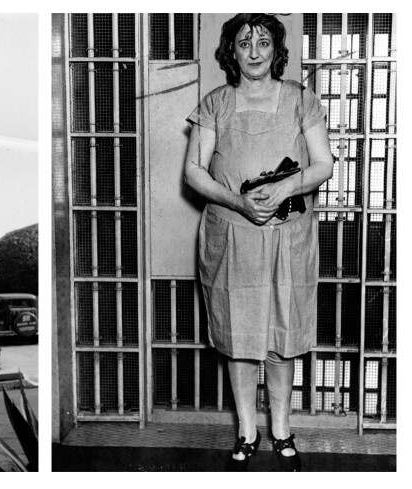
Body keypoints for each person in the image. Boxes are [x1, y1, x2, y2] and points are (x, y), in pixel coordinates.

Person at [182, 13, 333, 471]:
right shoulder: (215, 103)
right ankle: (247, 431)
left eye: (263, 42)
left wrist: (285, 189)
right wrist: (239, 202)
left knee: (282, 338)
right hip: (232, 237)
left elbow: (323, 164)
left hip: (289, 237)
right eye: (244, 43)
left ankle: (281, 429)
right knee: (239, 338)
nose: (253, 51)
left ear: (275, 50)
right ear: (231, 51)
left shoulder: (301, 101)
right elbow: (193, 171)